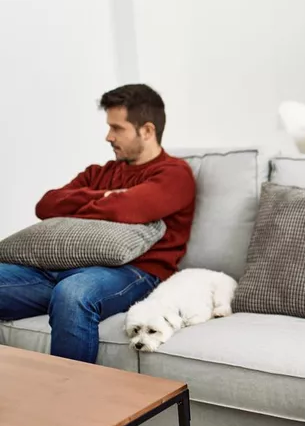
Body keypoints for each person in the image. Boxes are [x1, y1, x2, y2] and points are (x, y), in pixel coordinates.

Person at [0, 84, 196, 363]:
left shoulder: (175, 174)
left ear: (147, 131)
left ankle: (71, 402)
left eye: (117, 128)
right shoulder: (99, 174)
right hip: (62, 267)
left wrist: (90, 205)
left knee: (74, 293)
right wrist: (105, 196)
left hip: (134, 273)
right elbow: (47, 205)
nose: (108, 136)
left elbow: (128, 208)